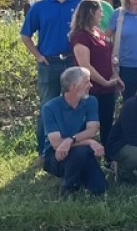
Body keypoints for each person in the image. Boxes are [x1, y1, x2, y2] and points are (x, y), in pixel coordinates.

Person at [21, 0, 82, 155]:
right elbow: (25, 35)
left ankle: (73, 148)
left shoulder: (80, 4)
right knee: (48, 106)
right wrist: (39, 56)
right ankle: (45, 151)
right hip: (50, 64)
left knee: (75, 104)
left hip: (73, 63)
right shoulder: (40, 7)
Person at [41, 66, 106, 197]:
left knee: (100, 188)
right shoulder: (50, 108)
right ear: (74, 86)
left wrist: (70, 140)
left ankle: (80, 177)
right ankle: (68, 187)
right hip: (56, 157)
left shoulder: (91, 101)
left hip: (83, 153)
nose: (91, 85)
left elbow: (92, 130)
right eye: (87, 82)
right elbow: (57, 144)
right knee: (80, 152)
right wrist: (88, 142)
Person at [70, 0, 123, 146]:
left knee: (107, 122)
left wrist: (114, 77)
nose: (102, 16)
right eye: (100, 12)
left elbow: (108, 56)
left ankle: (108, 156)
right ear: (91, 12)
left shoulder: (98, 32)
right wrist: (104, 82)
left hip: (108, 87)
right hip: (91, 89)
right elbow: (85, 65)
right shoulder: (80, 36)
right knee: (89, 125)